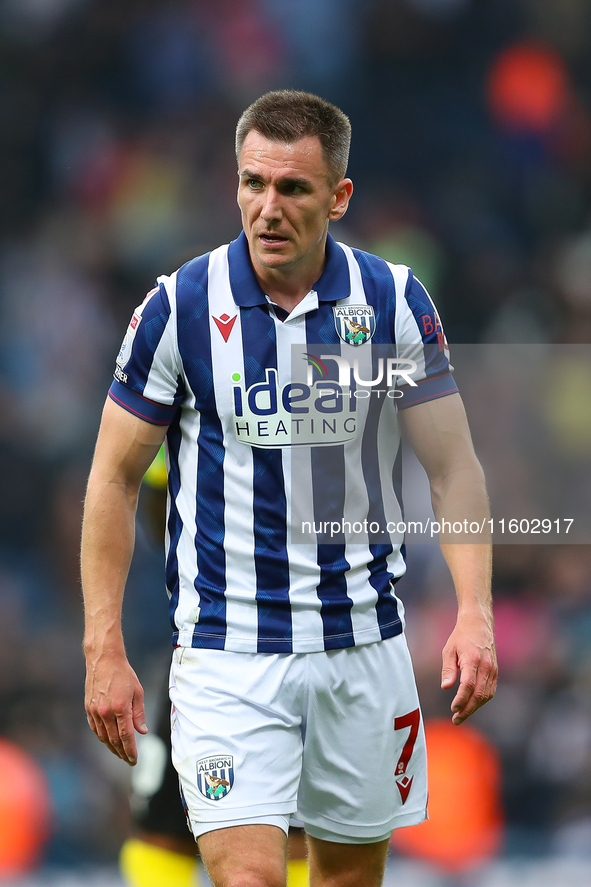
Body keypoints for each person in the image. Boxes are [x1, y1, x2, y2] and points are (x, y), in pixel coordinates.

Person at [82, 90, 497, 887]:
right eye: (252, 184)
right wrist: (104, 645)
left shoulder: (393, 302)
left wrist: (473, 612)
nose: (267, 208)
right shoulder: (179, 308)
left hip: (361, 650)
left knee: (343, 878)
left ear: (338, 197)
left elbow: (452, 467)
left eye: (293, 188)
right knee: (250, 879)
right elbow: (113, 477)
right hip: (227, 656)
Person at [119, 450, 309, 887]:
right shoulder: (182, 392)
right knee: (164, 829)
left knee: (299, 829)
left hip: (289, 635)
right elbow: (151, 503)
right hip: (210, 636)